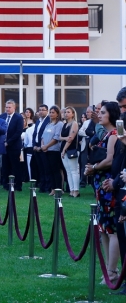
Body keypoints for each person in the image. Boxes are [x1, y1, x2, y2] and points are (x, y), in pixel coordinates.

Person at [84, 101, 120, 284]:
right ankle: (108, 269)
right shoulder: (106, 134)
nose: (100, 114)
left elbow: (110, 160)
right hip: (101, 186)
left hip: (108, 187)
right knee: (104, 229)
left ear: (112, 115)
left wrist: (94, 168)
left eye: (103, 112)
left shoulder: (114, 135)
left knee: (111, 229)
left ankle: (112, 271)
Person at [0, 100, 25, 191]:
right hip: (3, 146)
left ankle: (18, 185)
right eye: (6, 107)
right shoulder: (2, 116)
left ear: (14, 108)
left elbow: (18, 132)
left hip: (14, 146)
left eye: (9, 107)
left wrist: (8, 142)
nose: (7, 109)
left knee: (15, 166)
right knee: (5, 166)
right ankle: (6, 184)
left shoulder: (18, 117)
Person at [41, 105, 64, 196]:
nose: (51, 114)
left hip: (54, 150)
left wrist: (47, 146)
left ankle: (58, 188)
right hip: (46, 150)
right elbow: (42, 136)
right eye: (50, 112)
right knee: (49, 170)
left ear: (58, 114)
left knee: (55, 170)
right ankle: (53, 188)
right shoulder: (48, 124)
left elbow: (56, 137)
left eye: (53, 112)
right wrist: (43, 146)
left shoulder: (59, 124)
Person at [61, 106, 80, 197]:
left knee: (74, 170)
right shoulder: (64, 124)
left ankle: (76, 190)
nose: (66, 114)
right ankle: (71, 190)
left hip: (71, 149)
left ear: (73, 114)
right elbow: (60, 137)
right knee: (68, 171)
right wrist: (65, 138)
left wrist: (64, 149)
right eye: (65, 112)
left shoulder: (74, 123)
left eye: (68, 112)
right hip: (64, 149)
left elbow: (71, 138)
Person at [32, 104, 51, 193]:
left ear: (47, 111)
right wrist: (34, 145)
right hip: (36, 148)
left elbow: (47, 135)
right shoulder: (38, 121)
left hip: (45, 148)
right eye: (40, 110)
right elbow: (35, 134)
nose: (41, 111)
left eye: (43, 110)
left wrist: (41, 146)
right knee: (40, 168)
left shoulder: (49, 121)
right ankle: (42, 186)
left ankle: (48, 186)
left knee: (46, 168)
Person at [78, 105, 93, 189]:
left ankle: (91, 181)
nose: (87, 113)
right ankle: (82, 181)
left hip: (93, 144)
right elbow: (80, 132)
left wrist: (87, 133)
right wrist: (88, 133)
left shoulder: (96, 122)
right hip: (84, 144)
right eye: (86, 112)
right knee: (83, 163)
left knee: (92, 162)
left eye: (88, 112)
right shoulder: (86, 122)